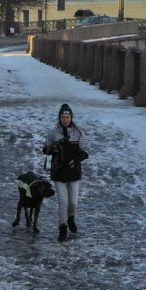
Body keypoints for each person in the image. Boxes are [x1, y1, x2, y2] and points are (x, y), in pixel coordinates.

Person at [43, 103, 89, 242]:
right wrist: (52, 149)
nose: (65, 119)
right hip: (59, 171)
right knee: (63, 201)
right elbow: (45, 149)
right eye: (63, 117)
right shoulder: (53, 132)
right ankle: (62, 228)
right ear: (59, 118)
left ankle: (71, 219)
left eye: (67, 117)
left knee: (73, 202)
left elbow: (86, 151)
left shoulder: (79, 132)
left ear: (71, 118)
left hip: (74, 171)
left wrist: (75, 160)